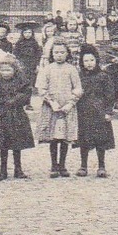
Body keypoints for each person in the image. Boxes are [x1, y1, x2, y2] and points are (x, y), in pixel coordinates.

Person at [34, 39, 82, 178]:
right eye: (56, 52)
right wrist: (51, 102)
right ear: (52, 54)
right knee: (53, 137)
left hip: (66, 107)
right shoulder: (47, 69)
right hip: (51, 108)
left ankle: (63, 165)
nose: (59, 55)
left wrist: (71, 103)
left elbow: (78, 88)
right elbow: (41, 88)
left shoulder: (72, 69)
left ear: (67, 53)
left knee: (64, 137)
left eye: (62, 52)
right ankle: (54, 165)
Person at [0, 56, 35, 180]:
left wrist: (14, 101)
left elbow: (26, 97)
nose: (5, 73)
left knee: (17, 144)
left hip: (16, 116)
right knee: (3, 145)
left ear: (14, 70)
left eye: (8, 70)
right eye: (3, 70)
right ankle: (3, 170)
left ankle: (18, 169)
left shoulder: (21, 83)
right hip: (2, 116)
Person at [74, 45, 116, 178]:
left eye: (91, 60)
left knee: (101, 140)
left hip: (99, 112)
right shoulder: (79, 76)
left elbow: (110, 95)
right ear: (82, 62)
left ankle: (101, 166)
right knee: (84, 140)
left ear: (96, 61)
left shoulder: (103, 76)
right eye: (86, 61)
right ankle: (83, 166)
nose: (89, 63)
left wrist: (108, 112)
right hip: (83, 112)